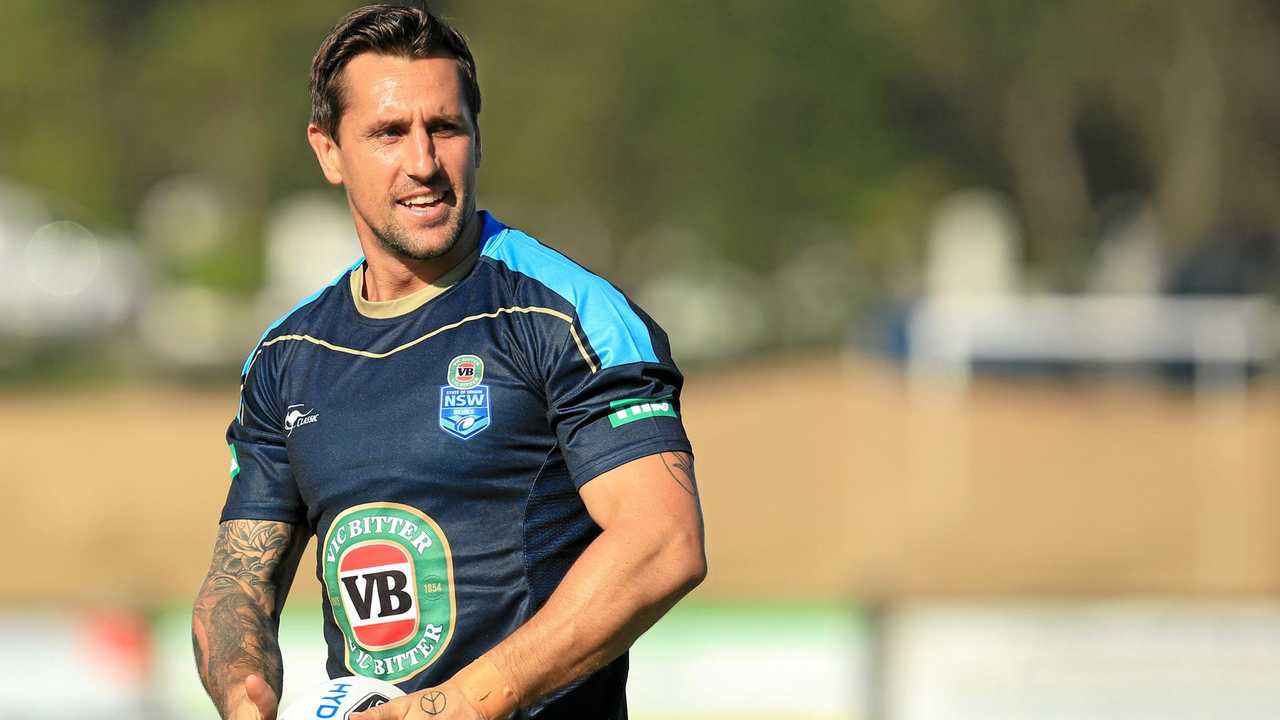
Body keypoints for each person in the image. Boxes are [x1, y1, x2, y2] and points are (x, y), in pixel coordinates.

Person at [191, 4, 705, 720]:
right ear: (329, 150)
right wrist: (247, 697)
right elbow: (237, 581)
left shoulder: (566, 314)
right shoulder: (287, 356)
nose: (424, 162)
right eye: (389, 133)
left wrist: (462, 703)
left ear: (477, 136)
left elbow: (663, 541)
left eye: (446, 128)